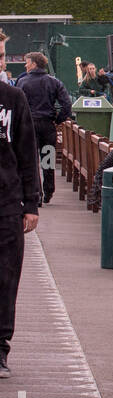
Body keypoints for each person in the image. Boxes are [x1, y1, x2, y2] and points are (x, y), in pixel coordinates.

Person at [0, 67, 41, 378]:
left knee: (5, 277)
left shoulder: (14, 98)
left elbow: (27, 151)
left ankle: (0, 347)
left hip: (7, 203)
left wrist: (31, 203)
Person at [16, 52, 72, 204]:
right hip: (48, 125)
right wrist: (57, 120)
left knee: (31, 160)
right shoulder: (54, 82)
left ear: (34, 64)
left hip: (28, 126)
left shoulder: (22, 82)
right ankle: (49, 190)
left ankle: (37, 193)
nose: (25, 66)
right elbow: (67, 105)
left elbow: (17, 106)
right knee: (48, 159)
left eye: (27, 63)